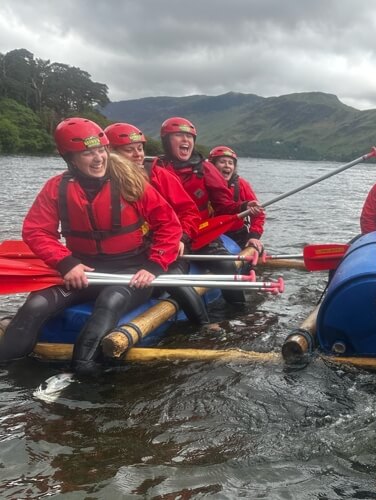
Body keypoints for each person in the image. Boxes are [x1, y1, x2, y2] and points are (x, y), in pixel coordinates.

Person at [0, 118, 181, 375]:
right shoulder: (56, 187)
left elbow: (169, 226)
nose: (98, 159)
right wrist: (66, 263)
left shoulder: (131, 181)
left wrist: (153, 265)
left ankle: (81, 373)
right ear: (69, 158)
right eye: (87, 153)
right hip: (83, 270)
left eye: (101, 150)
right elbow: (36, 231)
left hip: (130, 271)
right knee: (36, 305)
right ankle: (5, 373)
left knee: (109, 300)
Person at [104, 122, 209, 324]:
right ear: (111, 152)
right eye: (129, 150)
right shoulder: (98, 179)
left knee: (173, 280)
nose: (138, 155)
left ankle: (204, 326)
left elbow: (189, 212)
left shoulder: (158, 175)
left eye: (140, 148)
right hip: (128, 253)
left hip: (166, 245)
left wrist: (181, 237)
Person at [151, 117, 262, 306]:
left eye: (189, 136)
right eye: (179, 135)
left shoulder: (206, 169)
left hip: (200, 231)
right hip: (168, 235)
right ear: (166, 141)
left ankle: (238, 311)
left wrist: (244, 207)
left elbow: (224, 205)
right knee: (166, 277)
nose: (186, 140)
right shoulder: (155, 168)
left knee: (227, 265)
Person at [207, 146, 265, 252]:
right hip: (209, 233)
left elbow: (259, 214)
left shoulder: (241, 185)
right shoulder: (202, 183)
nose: (227, 165)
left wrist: (254, 236)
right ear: (212, 165)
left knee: (255, 247)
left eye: (230, 163)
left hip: (237, 234)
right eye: (222, 162)